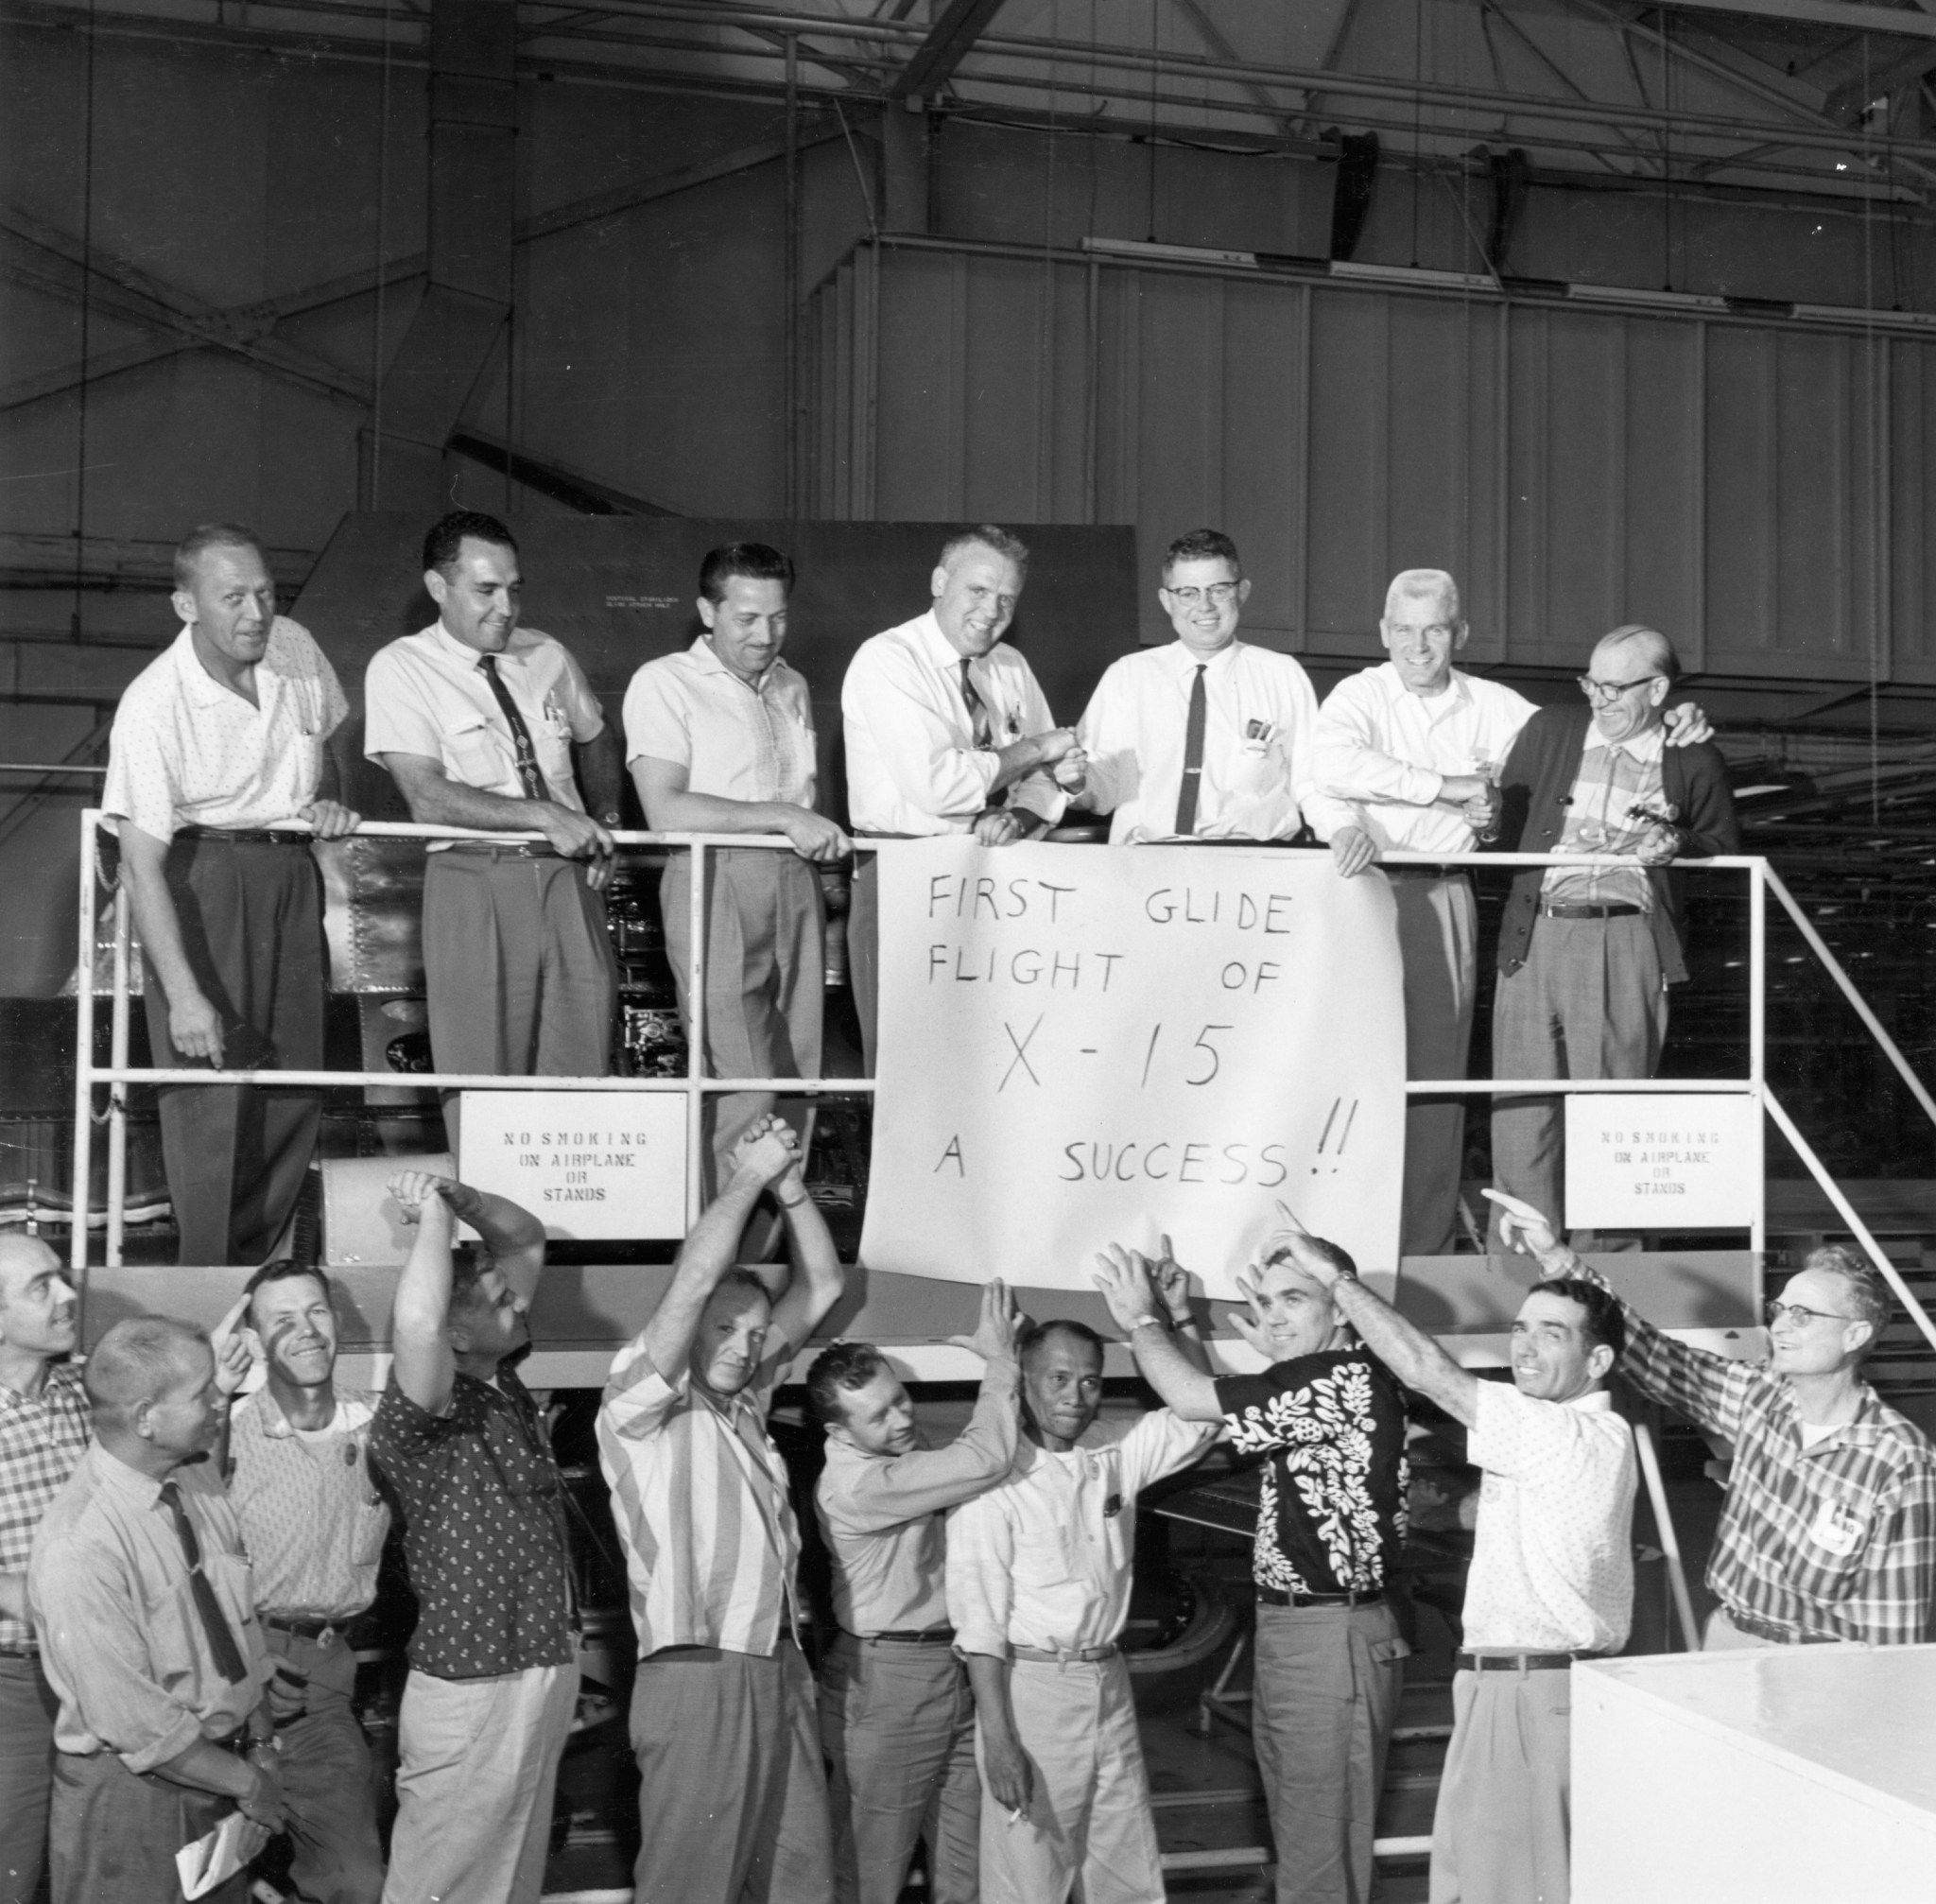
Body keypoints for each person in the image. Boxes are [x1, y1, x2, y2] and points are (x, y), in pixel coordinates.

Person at [1315, 572, 1717, 1256]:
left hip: (1462, 897)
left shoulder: (1508, 710)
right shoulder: (1356, 696)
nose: (1419, 645)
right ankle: (1407, 1251)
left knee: (1459, 1090)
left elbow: (1611, 739)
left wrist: (1682, 719)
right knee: (1369, 1081)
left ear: (1459, 634)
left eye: (1436, 629)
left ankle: (1497, 1257)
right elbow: (1329, 766)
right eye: (1404, 630)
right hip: (1364, 891)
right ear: (1383, 633)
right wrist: (1446, 788)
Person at [1257, 1207, 1635, 1904]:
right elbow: (1517, 1522)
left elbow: (1428, 1371)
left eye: (1551, 1334)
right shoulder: (1583, 1435)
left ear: (1599, 1360)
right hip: (1513, 1688)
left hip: (1528, 1693)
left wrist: (1336, 1280)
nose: (1524, 1347)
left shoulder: (1564, 1433)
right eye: (1520, 1328)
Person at [1090, 1230, 1409, 1904]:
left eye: (1294, 1298)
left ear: (1343, 1309)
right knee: (1310, 1838)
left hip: (1331, 1640)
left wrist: (1141, 1321)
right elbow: (1225, 1406)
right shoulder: (1320, 1381)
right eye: (1265, 1301)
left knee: (1320, 1853)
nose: (1273, 1318)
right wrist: (1180, 1321)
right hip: (1305, 1635)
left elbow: (1194, 1401)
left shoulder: (1340, 1378)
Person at [1493, 1186, 1936, 1648]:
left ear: (1855, 1335)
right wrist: (1556, 1256)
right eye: (1779, 1310)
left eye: (1803, 1315)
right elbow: (1652, 1352)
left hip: (1820, 1671)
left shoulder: (1898, 1459)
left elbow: (1896, 1633)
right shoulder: (1762, 1397)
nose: (1779, 1326)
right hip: (1726, 1640)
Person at [596, 1116, 846, 1904]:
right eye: (726, 1331)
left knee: (802, 1881)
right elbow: (695, 1281)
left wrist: (792, 1188)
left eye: (757, 1333)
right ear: (688, 1330)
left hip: (779, 1662)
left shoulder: (745, 1405)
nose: (745, 1345)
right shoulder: (638, 1404)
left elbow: (826, 1287)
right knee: (689, 1887)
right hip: (699, 1667)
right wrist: (746, 1179)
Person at [103, 520, 359, 1266]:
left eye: (265, 593)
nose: (255, 614)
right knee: (212, 1095)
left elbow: (332, 740)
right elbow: (138, 865)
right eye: (233, 599)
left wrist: (331, 798)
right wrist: (183, 995)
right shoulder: (153, 703)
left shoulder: (295, 647)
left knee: (293, 1083)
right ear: (187, 606)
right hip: (202, 882)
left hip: (291, 876)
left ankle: (269, 1278)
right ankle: (209, 1281)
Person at [363, 511, 622, 1147]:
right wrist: (548, 815)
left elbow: (594, 736)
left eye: (514, 588)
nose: (505, 607)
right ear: (437, 586)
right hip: (475, 879)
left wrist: (606, 819)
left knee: (584, 1055)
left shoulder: (548, 655)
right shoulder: (402, 667)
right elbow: (426, 795)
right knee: (482, 1067)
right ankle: (496, 1239)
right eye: (485, 591)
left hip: (567, 884)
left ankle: (571, 1233)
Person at [945, 1307, 1217, 1904]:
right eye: (1058, 1379)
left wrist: (1179, 1320)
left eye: (1090, 1380)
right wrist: (1000, 1742)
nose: (1076, 1396)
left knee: (1127, 1867)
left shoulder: (1110, 1450)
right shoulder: (993, 1481)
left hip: (1109, 1682)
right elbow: (980, 1625)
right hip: (1032, 1691)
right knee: (1029, 1877)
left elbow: (1203, 1415)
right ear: (1024, 1379)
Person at [1487, 624, 1739, 1247]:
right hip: (1533, 937)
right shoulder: (1549, 730)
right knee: (1520, 1116)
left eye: (1614, 687)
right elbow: (1503, 825)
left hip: (1624, 940)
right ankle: (1521, 1269)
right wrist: (1485, 817)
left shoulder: (1694, 758)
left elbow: (1722, 856)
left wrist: (1676, 846)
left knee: (1613, 1123)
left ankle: (1610, 1271)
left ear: (1657, 689)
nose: (1598, 699)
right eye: (1590, 682)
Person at [368, 1170, 578, 1904]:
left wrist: (459, 1199)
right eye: (496, 1299)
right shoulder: (420, 1415)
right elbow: (419, 1323)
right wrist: (430, 1221)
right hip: (472, 1686)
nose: (517, 1300)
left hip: (536, 1671)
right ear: (458, 1333)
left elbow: (524, 1237)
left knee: (509, 1884)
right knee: (440, 1887)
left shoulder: (501, 1381)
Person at [624, 541, 849, 1208]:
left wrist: (798, 832)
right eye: (746, 619)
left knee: (798, 1071)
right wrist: (782, 816)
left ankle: (776, 1245)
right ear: (706, 610)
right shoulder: (663, 682)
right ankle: (725, 1263)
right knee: (740, 1079)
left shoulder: (792, 685)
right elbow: (665, 806)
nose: (764, 634)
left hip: (796, 882)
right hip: (713, 877)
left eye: (778, 618)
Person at [29, 1317, 283, 1904]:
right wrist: (251, 1783)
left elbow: (238, 1632)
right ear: (146, 1417)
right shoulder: (81, 1545)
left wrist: (263, 1743)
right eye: (202, 1393)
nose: (220, 1401)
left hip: (220, 1772)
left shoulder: (194, 1478)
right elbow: (136, 1724)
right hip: (133, 1801)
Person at [808, 1280, 1025, 1904]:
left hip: (951, 1667)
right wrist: (1000, 1359)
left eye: (901, 1400)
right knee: (869, 1874)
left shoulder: (898, 1450)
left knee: (967, 1870)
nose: (901, 1418)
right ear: (840, 1430)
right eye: (878, 1415)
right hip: (889, 1683)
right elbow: (984, 1458)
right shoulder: (859, 1485)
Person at [840, 526, 1085, 1067]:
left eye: (1006, 599)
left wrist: (1020, 817)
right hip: (905, 870)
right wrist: (1037, 747)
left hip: (997, 875)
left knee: (988, 1056)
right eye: (977, 591)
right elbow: (941, 787)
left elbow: (1045, 780)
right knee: (903, 1062)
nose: (991, 610)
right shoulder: (888, 659)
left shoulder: (1010, 667)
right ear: (939, 582)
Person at [218, 1261, 390, 1904]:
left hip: (320, 1689)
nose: (305, 1331)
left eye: (315, 1312)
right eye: (281, 1321)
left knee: (357, 1881)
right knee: (206, 1878)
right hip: (228, 1677)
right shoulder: (225, 1436)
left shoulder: (379, 1430)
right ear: (258, 1342)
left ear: (337, 1320)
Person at [1076, 528, 1322, 845]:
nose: (1204, 606)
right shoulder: (1126, 677)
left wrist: (1342, 831)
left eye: (1218, 590)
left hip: (1255, 865)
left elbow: (1312, 782)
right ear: (1166, 600)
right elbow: (1101, 788)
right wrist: (1074, 783)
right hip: (1146, 863)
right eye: (1188, 593)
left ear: (1242, 592)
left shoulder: (1283, 675)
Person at [0, 1236, 87, 1904]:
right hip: (16, 1694)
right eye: (41, 1286)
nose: (67, 1295)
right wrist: (31, 1596)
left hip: (105, 1677)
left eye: (62, 1277)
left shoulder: (86, 1394)